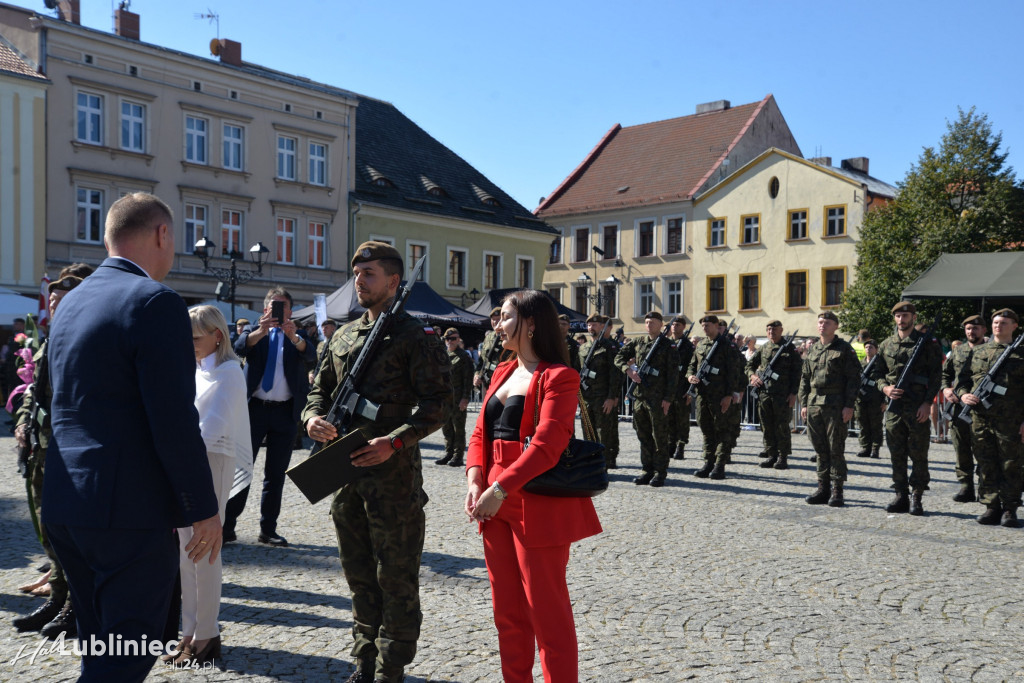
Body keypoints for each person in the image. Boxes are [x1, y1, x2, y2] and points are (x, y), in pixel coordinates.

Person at [43, 192, 221, 681]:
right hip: (126, 510)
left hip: (67, 503)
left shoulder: (71, 302)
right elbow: (173, 418)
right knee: (125, 655)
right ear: (163, 234)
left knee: (102, 646)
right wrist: (204, 508)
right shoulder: (155, 301)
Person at [303, 241, 452, 683]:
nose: (359, 281)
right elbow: (319, 392)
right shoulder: (344, 336)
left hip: (392, 477)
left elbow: (438, 405)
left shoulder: (416, 336)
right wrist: (311, 418)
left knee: (396, 578)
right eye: (357, 273)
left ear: (393, 281)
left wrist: (396, 441)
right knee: (359, 576)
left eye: (370, 274)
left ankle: (391, 669)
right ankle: (363, 662)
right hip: (344, 475)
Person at [464, 289, 602, 683]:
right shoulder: (501, 371)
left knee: (547, 615)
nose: (497, 325)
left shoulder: (560, 376)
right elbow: (480, 434)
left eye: (505, 317)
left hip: (535, 503)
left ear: (530, 323)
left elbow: (548, 445)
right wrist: (476, 479)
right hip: (493, 503)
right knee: (507, 613)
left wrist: (499, 488)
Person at [163, 306, 252, 667]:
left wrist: (178, 454)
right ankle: (189, 630)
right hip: (190, 463)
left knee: (206, 552)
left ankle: (207, 633)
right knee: (186, 553)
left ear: (218, 335)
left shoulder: (231, 371)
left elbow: (211, 427)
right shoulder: (199, 370)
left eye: (196, 338)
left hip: (212, 462)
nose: (191, 344)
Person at [11, 265, 93, 639]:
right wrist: (24, 422)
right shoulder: (51, 338)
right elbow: (33, 390)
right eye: (54, 300)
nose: (55, 305)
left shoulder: (88, 339)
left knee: (76, 532)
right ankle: (58, 599)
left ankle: (78, 607)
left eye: (63, 300)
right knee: (51, 528)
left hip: (72, 449)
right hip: (45, 447)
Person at [225, 287, 314, 547]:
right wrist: (260, 331)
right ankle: (227, 527)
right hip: (253, 410)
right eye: (274, 306)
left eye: (283, 306)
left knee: (275, 475)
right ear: (265, 309)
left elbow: (309, 354)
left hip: (285, 413)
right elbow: (238, 348)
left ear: (290, 310)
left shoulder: (296, 335)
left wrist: (293, 336)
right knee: (241, 469)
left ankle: (268, 529)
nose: (278, 310)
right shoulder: (253, 331)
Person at [870, 301, 943, 516]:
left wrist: (927, 403)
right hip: (894, 408)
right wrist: (886, 389)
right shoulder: (885, 345)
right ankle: (901, 494)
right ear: (894, 319)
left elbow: (936, 377)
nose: (902, 319)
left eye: (906, 316)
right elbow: (876, 374)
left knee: (919, 453)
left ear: (914, 318)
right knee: (896, 453)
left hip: (917, 407)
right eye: (898, 316)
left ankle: (917, 496)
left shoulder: (927, 344)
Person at [958, 309, 1024, 527]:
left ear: (1014, 326)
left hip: (1011, 420)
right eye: (996, 322)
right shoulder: (978, 351)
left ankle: (1010, 508)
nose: (998, 326)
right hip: (981, 418)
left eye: (1004, 322)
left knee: (1011, 464)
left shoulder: (1021, 353)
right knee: (986, 463)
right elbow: (962, 380)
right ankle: (991, 506)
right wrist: (963, 394)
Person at [798, 312, 860, 506]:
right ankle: (822, 488)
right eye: (820, 322)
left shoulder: (844, 349)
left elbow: (854, 379)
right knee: (820, 449)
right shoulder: (813, 349)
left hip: (835, 405)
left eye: (827, 322)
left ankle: (837, 490)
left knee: (835, 448)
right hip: (815, 404)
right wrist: (804, 403)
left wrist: (849, 405)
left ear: (836, 326)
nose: (822, 325)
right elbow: (805, 379)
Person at [615, 310, 678, 487]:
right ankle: (647, 470)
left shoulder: (668, 346)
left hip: (658, 399)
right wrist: (628, 370)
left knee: (659, 437)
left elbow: (673, 375)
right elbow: (619, 357)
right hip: (640, 397)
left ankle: (660, 473)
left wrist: (668, 398)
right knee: (643, 436)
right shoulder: (638, 342)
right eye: (647, 322)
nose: (649, 325)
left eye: (653, 322)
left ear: (661, 325)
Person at [687, 316, 745, 479]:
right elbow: (692, 365)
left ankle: (720, 465)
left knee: (722, 431)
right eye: (703, 325)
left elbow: (734, 373)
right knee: (706, 430)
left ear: (716, 326)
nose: (705, 328)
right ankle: (708, 462)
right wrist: (690, 376)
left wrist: (728, 395)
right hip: (703, 395)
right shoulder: (701, 345)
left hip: (720, 396)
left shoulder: (727, 346)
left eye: (708, 325)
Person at [941, 315, 987, 502]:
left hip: (983, 408)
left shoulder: (991, 350)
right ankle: (966, 486)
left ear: (984, 330)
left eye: (975, 328)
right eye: (968, 328)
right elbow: (945, 373)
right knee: (961, 448)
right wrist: (945, 389)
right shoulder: (958, 351)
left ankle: (985, 488)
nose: (971, 332)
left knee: (984, 449)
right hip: (959, 407)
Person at [747, 320, 802, 470]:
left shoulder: (790, 349)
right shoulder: (764, 348)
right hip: (764, 393)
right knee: (766, 426)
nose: (772, 331)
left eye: (775, 329)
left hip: (782, 395)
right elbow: (749, 365)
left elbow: (797, 373)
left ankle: (782, 457)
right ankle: (771, 455)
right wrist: (753, 377)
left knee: (782, 426)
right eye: (769, 329)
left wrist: (793, 393)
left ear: (781, 330)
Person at [578, 313, 623, 468]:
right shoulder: (583, 347)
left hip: (602, 397)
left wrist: (612, 396)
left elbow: (615, 374)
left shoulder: (609, 347)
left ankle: (604, 463)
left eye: (595, 325)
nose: (592, 327)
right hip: (585, 397)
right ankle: (590, 463)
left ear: (602, 327)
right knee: (587, 432)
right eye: (589, 325)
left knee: (603, 432)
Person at [438, 327, 474, 467]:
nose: (450, 342)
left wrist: (465, 398)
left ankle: (458, 456)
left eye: (453, 339)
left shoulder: (464, 357)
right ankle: (449, 453)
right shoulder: (444, 355)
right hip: (445, 399)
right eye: (448, 339)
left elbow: (468, 380)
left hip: (458, 398)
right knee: (446, 427)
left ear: (458, 340)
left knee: (458, 428)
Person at [666, 316, 694, 460]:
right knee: (669, 418)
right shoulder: (667, 344)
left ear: (683, 327)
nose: (674, 327)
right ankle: (671, 444)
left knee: (682, 420)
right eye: (672, 325)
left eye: (677, 325)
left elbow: (693, 368)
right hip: (668, 389)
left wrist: (690, 391)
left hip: (682, 388)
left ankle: (681, 446)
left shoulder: (688, 346)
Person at [854, 340, 885, 459]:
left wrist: (885, 401)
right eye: (866, 347)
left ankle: (875, 449)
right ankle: (865, 447)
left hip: (875, 399)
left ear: (876, 349)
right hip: (861, 399)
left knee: (876, 425)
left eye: (871, 347)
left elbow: (885, 381)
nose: (868, 349)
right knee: (863, 423)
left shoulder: (880, 364)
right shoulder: (860, 364)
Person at [474, 306, 505, 396]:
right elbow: (482, 360)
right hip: (487, 383)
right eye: (493, 319)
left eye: (498, 319)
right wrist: (477, 375)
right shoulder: (488, 337)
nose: (495, 322)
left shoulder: (509, 337)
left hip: (503, 383)